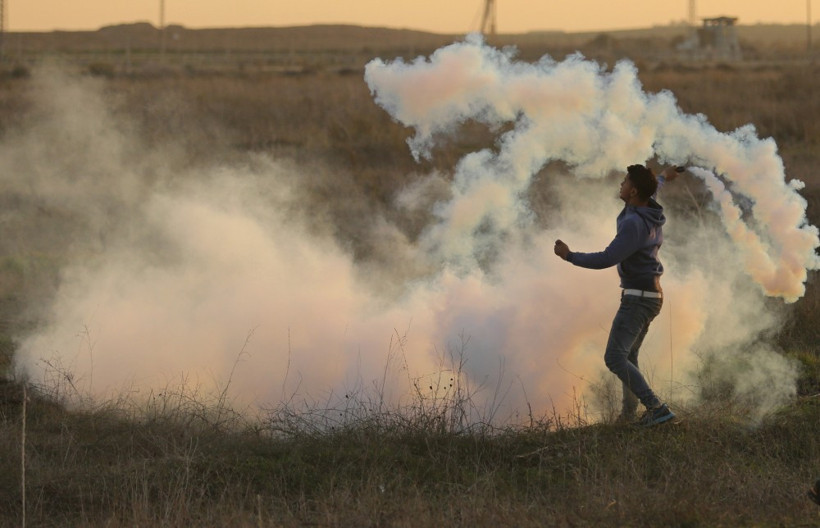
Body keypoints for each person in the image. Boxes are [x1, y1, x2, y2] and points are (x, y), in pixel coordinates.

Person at [553, 164, 679, 427]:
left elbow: (608, 258)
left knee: (614, 358)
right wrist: (663, 177)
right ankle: (628, 415)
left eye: (624, 182)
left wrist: (570, 256)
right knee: (628, 357)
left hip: (638, 298)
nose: (619, 185)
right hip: (650, 295)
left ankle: (656, 408)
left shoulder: (634, 223)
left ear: (633, 191)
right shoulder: (646, 208)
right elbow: (654, 189)